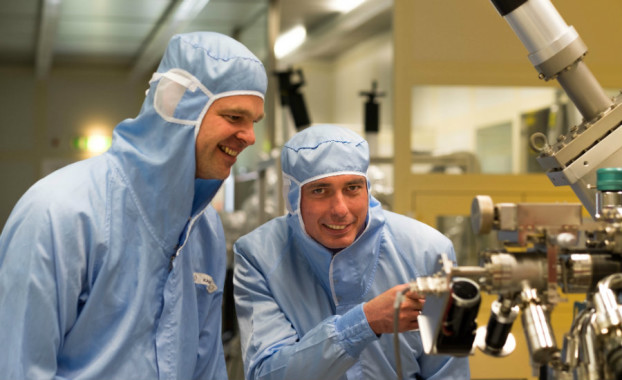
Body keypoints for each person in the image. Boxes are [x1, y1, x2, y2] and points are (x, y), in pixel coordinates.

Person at [0, 31, 266, 379]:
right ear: (179, 108)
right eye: (234, 117)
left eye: (253, 122)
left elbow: (208, 365)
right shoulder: (60, 211)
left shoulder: (204, 228)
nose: (250, 136)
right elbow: (19, 367)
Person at [233, 124, 470, 379]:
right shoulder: (259, 256)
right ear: (292, 197)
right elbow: (268, 373)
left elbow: (447, 372)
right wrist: (364, 323)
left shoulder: (427, 251)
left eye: (352, 188)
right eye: (320, 191)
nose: (340, 209)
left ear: (367, 189)